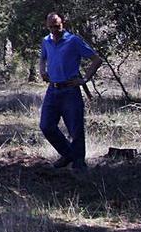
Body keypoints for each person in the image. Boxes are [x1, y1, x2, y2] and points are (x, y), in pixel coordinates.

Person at [38, 12, 103, 171]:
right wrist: (42, 70)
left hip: (70, 91)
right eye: (51, 26)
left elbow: (96, 59)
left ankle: (79, 165)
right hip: (52, 91)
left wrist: (85, 79)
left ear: (63, 23)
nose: (54, 29)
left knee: (76, 129)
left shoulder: (73, 41)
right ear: (47, 26)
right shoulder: (46, 41)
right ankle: (68, 154)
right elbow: (43, 58)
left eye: (57, 26)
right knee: (46, 126)